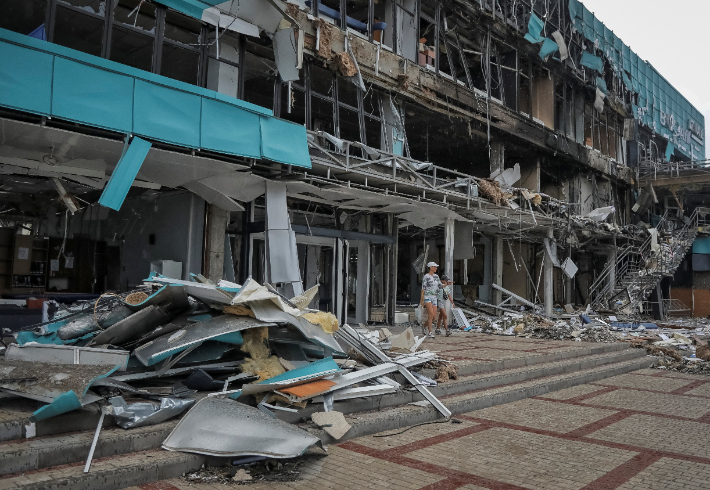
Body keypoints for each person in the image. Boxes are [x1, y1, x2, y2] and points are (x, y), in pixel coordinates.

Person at [419, 262, 441, 339]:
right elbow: (423, 288)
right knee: (430, 314)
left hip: (434, 297)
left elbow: (440, 285)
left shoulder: (436, 276)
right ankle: (430, 332)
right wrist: (421, 300)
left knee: (434, 316)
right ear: (431, 267)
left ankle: (424, 326)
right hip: (427, 296)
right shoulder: (426, 276)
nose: (436, 268)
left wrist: (447, 284)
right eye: (435, 267)